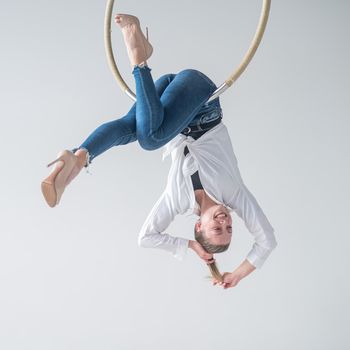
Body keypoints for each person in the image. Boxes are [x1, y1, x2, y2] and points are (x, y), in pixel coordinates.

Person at [41, 14, 277, 289]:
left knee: (132, 129)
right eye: (229, 228)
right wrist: (236, 274)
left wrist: (190, 246)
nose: (225, 222)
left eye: (217, 229)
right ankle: (138, 58)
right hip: (199, 97)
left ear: (198, 226)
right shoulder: (235, 194)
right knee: (150, 139)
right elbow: (267, 241)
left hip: (168, 106)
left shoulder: (176, 201)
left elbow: (147, 237)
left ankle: (78, 157)